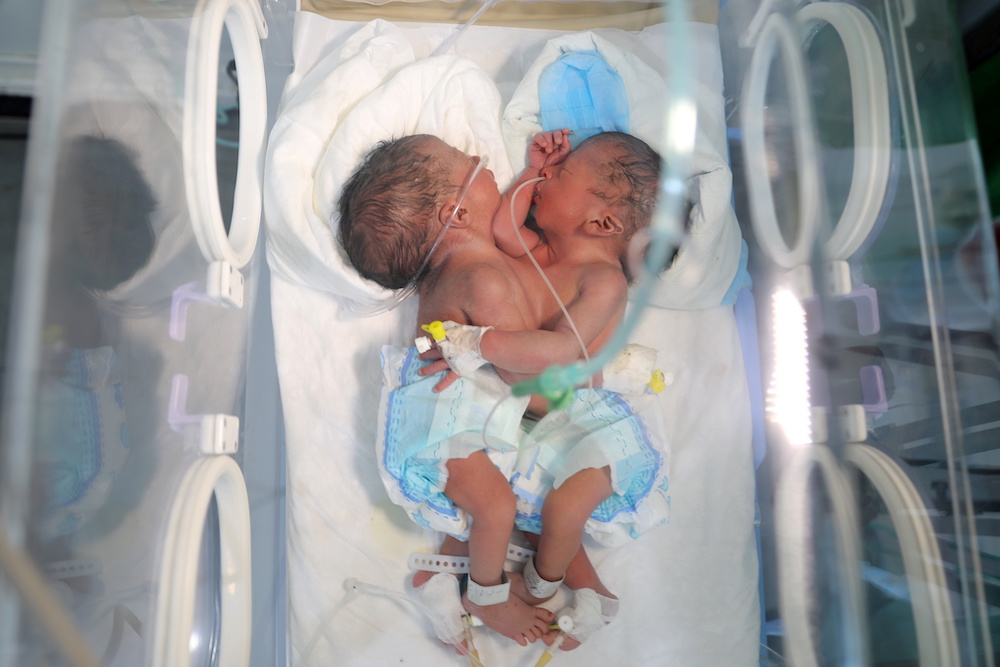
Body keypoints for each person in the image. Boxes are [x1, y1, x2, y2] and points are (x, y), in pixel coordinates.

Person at [338, 130, 668, 651]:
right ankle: (486, 595)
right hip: (482, 411)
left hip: (498, 409)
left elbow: (506, 239)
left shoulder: (535, 269)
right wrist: (539, 176)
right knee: (498, 507)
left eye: (560, 176)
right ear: (456, 215)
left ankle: (521, 576)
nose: (479, 156)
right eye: (472, 165)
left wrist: (486, 348)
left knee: (533, 494)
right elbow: (529, 377)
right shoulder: (497, 269)